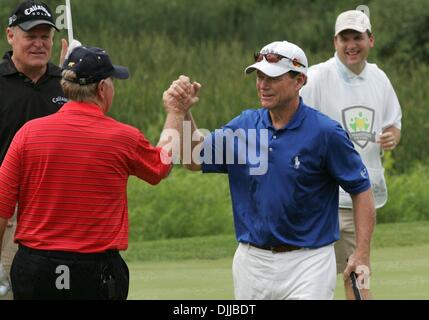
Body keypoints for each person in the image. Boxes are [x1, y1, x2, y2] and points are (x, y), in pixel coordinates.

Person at [162, 40, 376, 300]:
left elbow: (361, 189)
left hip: (309, 263)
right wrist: (183, 113)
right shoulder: (244, 125)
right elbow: (193, 158)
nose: (263, 84)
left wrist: (361, 252)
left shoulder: (326, 133)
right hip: (252, 263)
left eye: (273, 77)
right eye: (260, 76)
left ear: (300, 81)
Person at [0, 44, 176, 299]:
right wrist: (175, 113)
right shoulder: (123, 137)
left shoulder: (27, 134)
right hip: (96, 271)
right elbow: (161, 166)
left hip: (36, 268)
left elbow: (2, 209)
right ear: (103, 88)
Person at [300, 10, 402, 299]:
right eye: (344, 38)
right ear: (335, 41)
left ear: (370, 40)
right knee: (309, 279)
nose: (350, 45)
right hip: (320, 199)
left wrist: (392, 137)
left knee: (358, 274)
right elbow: (294, 125)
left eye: (357, 37)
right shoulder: (317, 77)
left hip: (361, 200)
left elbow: (394, 123)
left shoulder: (379, 78)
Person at [0, 0, 68, 300]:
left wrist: (84, 80)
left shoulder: (66, 84)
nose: (39, 44)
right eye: (31, 36)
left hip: (60, 210)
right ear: (10, 35)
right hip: (8, 211)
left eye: (45, 37)